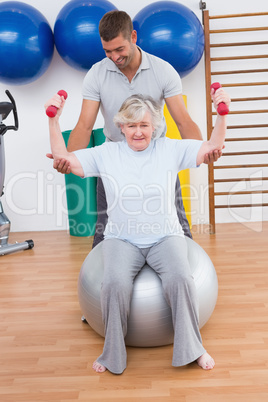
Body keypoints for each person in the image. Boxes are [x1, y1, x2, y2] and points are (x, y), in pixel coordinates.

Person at [45, 86, 230, 374]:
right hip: (122, 239)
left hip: (165, 236)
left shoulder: (169, 148)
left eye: (144, 124)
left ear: (154, 125)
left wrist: (221, 115)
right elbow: (65, 159)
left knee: (181, 278)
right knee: (114, 285)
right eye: (131, 125)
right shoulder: (107, 153)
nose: (138, 131)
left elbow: (211, 148)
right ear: (121, 126)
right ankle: (112, 355)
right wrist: (53, 121)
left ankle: (193, 349)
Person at [47, 10, 222, 246]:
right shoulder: (96, 74)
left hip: (157, 157)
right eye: (108, 51)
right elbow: (85, 125)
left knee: (179, 229)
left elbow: (183, 121)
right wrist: (68, 160)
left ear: (134, 37)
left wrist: (203, 151)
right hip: (113, 160)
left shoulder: (163, 71)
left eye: (119, 49)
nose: (114, 56)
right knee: (103, 234)